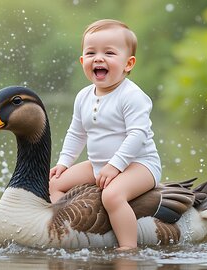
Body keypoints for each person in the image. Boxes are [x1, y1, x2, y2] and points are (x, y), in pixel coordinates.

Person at [49, 19, 161, 251]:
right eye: (91, 53)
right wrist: (64, 162)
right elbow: (76, 132)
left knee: (111, 196)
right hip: (98, 164)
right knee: (53, 183)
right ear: (82, 61)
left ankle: (128, 248)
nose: (98, 58)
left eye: (109, 53)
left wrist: (116, 165)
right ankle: (68, 227)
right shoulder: (83, 96)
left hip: (139, 165)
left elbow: (137, 134)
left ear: (128, 64)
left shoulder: (131, 96)